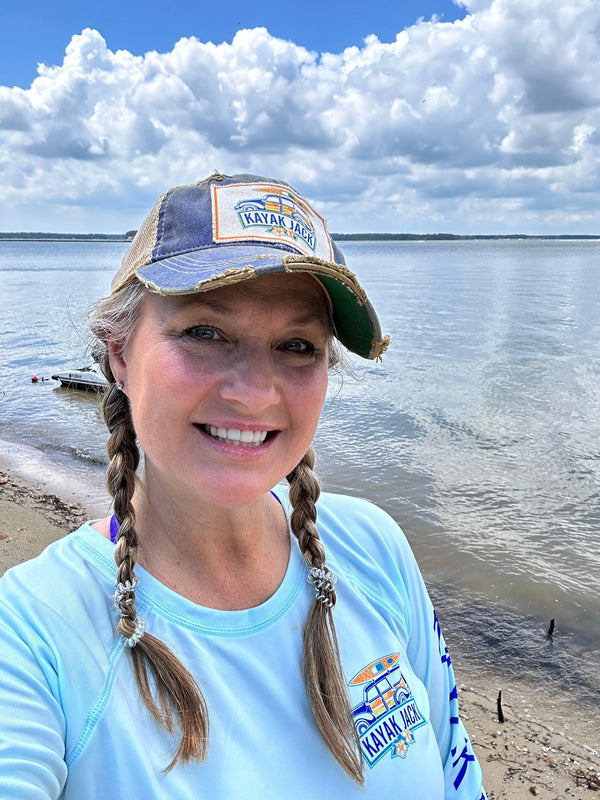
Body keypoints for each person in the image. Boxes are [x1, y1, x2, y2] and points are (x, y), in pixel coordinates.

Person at [0, 172, 486, 799]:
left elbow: (456, 776)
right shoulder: (34, 632)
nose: (255, 393)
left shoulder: (373, 547)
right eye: (205, 332)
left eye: (296, 345)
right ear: (119, 353)